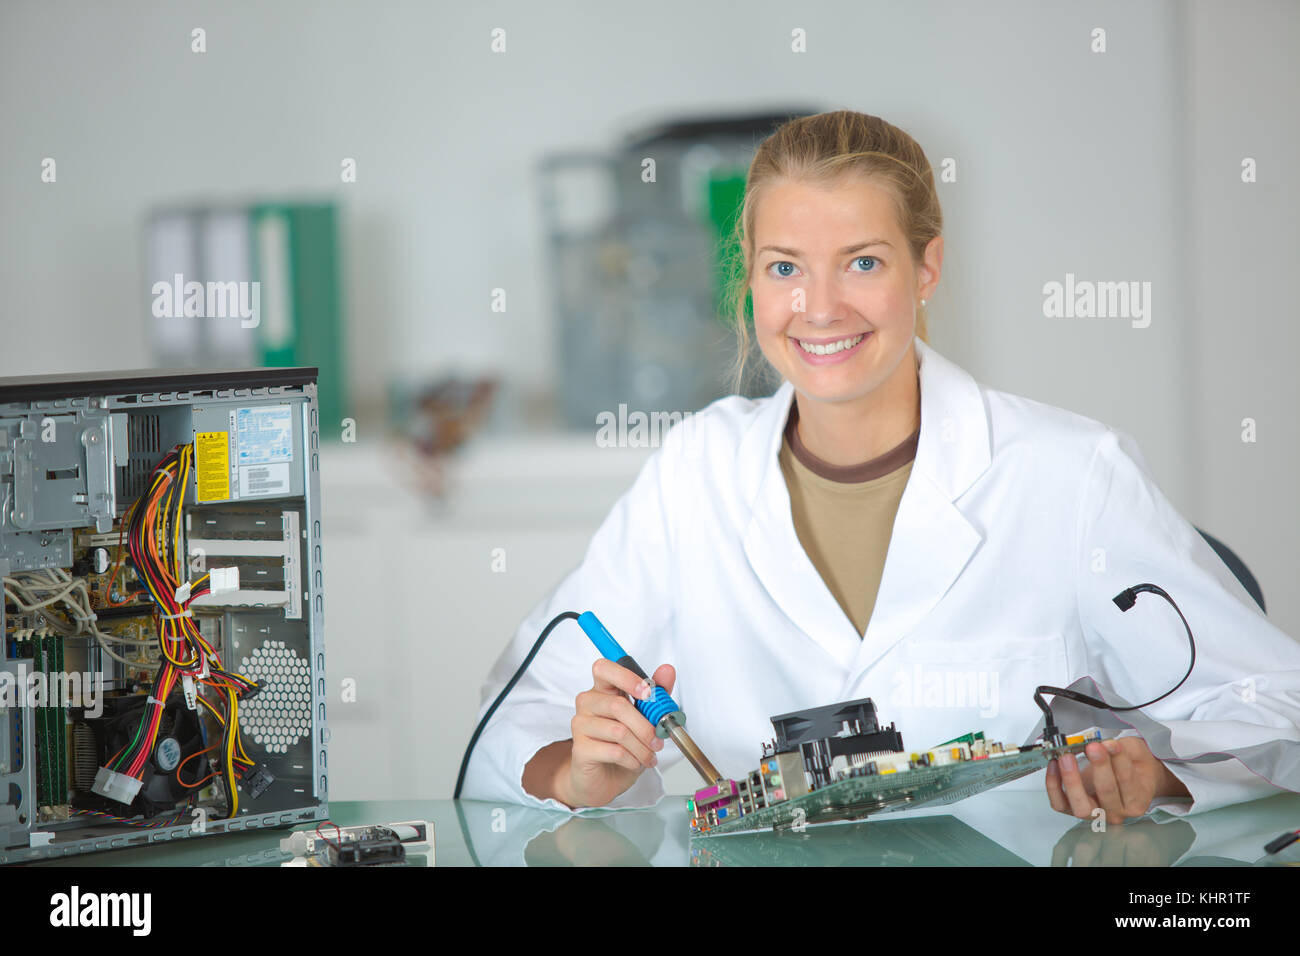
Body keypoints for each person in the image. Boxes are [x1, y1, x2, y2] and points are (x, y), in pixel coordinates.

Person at [458, 110, 1300, 824]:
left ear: (926, 269)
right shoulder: (695, 474)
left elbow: (1277, 708)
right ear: (749, 281)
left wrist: (1162, 776)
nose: (820, 308)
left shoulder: (1069, 475)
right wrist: (579, 773)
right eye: (785, 267)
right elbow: (513, 722)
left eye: (863, 262)